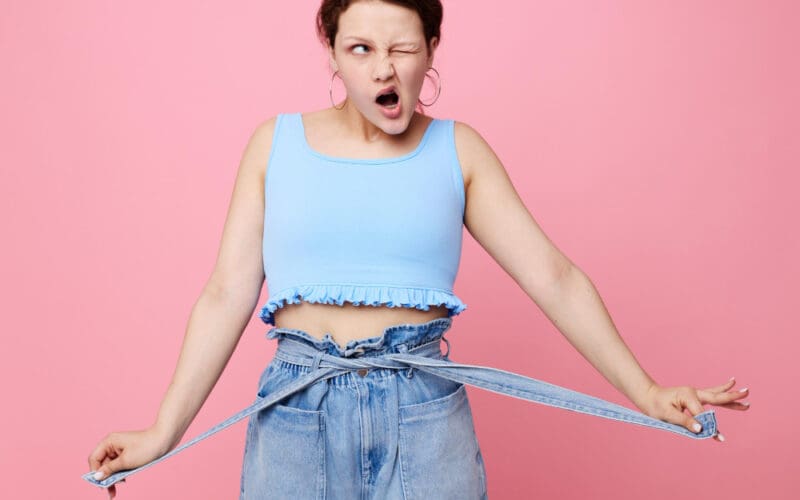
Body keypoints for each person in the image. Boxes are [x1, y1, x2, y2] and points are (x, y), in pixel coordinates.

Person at [86, 1, 751, 498]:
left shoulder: (458, 151)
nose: (384, 69)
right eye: (362, 48)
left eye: (403, 49)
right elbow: (226, 293)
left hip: (423, 409)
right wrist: (163, 430)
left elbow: (554, 277)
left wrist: (645, 389)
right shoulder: (274, 145)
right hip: (295, 411)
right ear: (331, 49)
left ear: (432, 48)